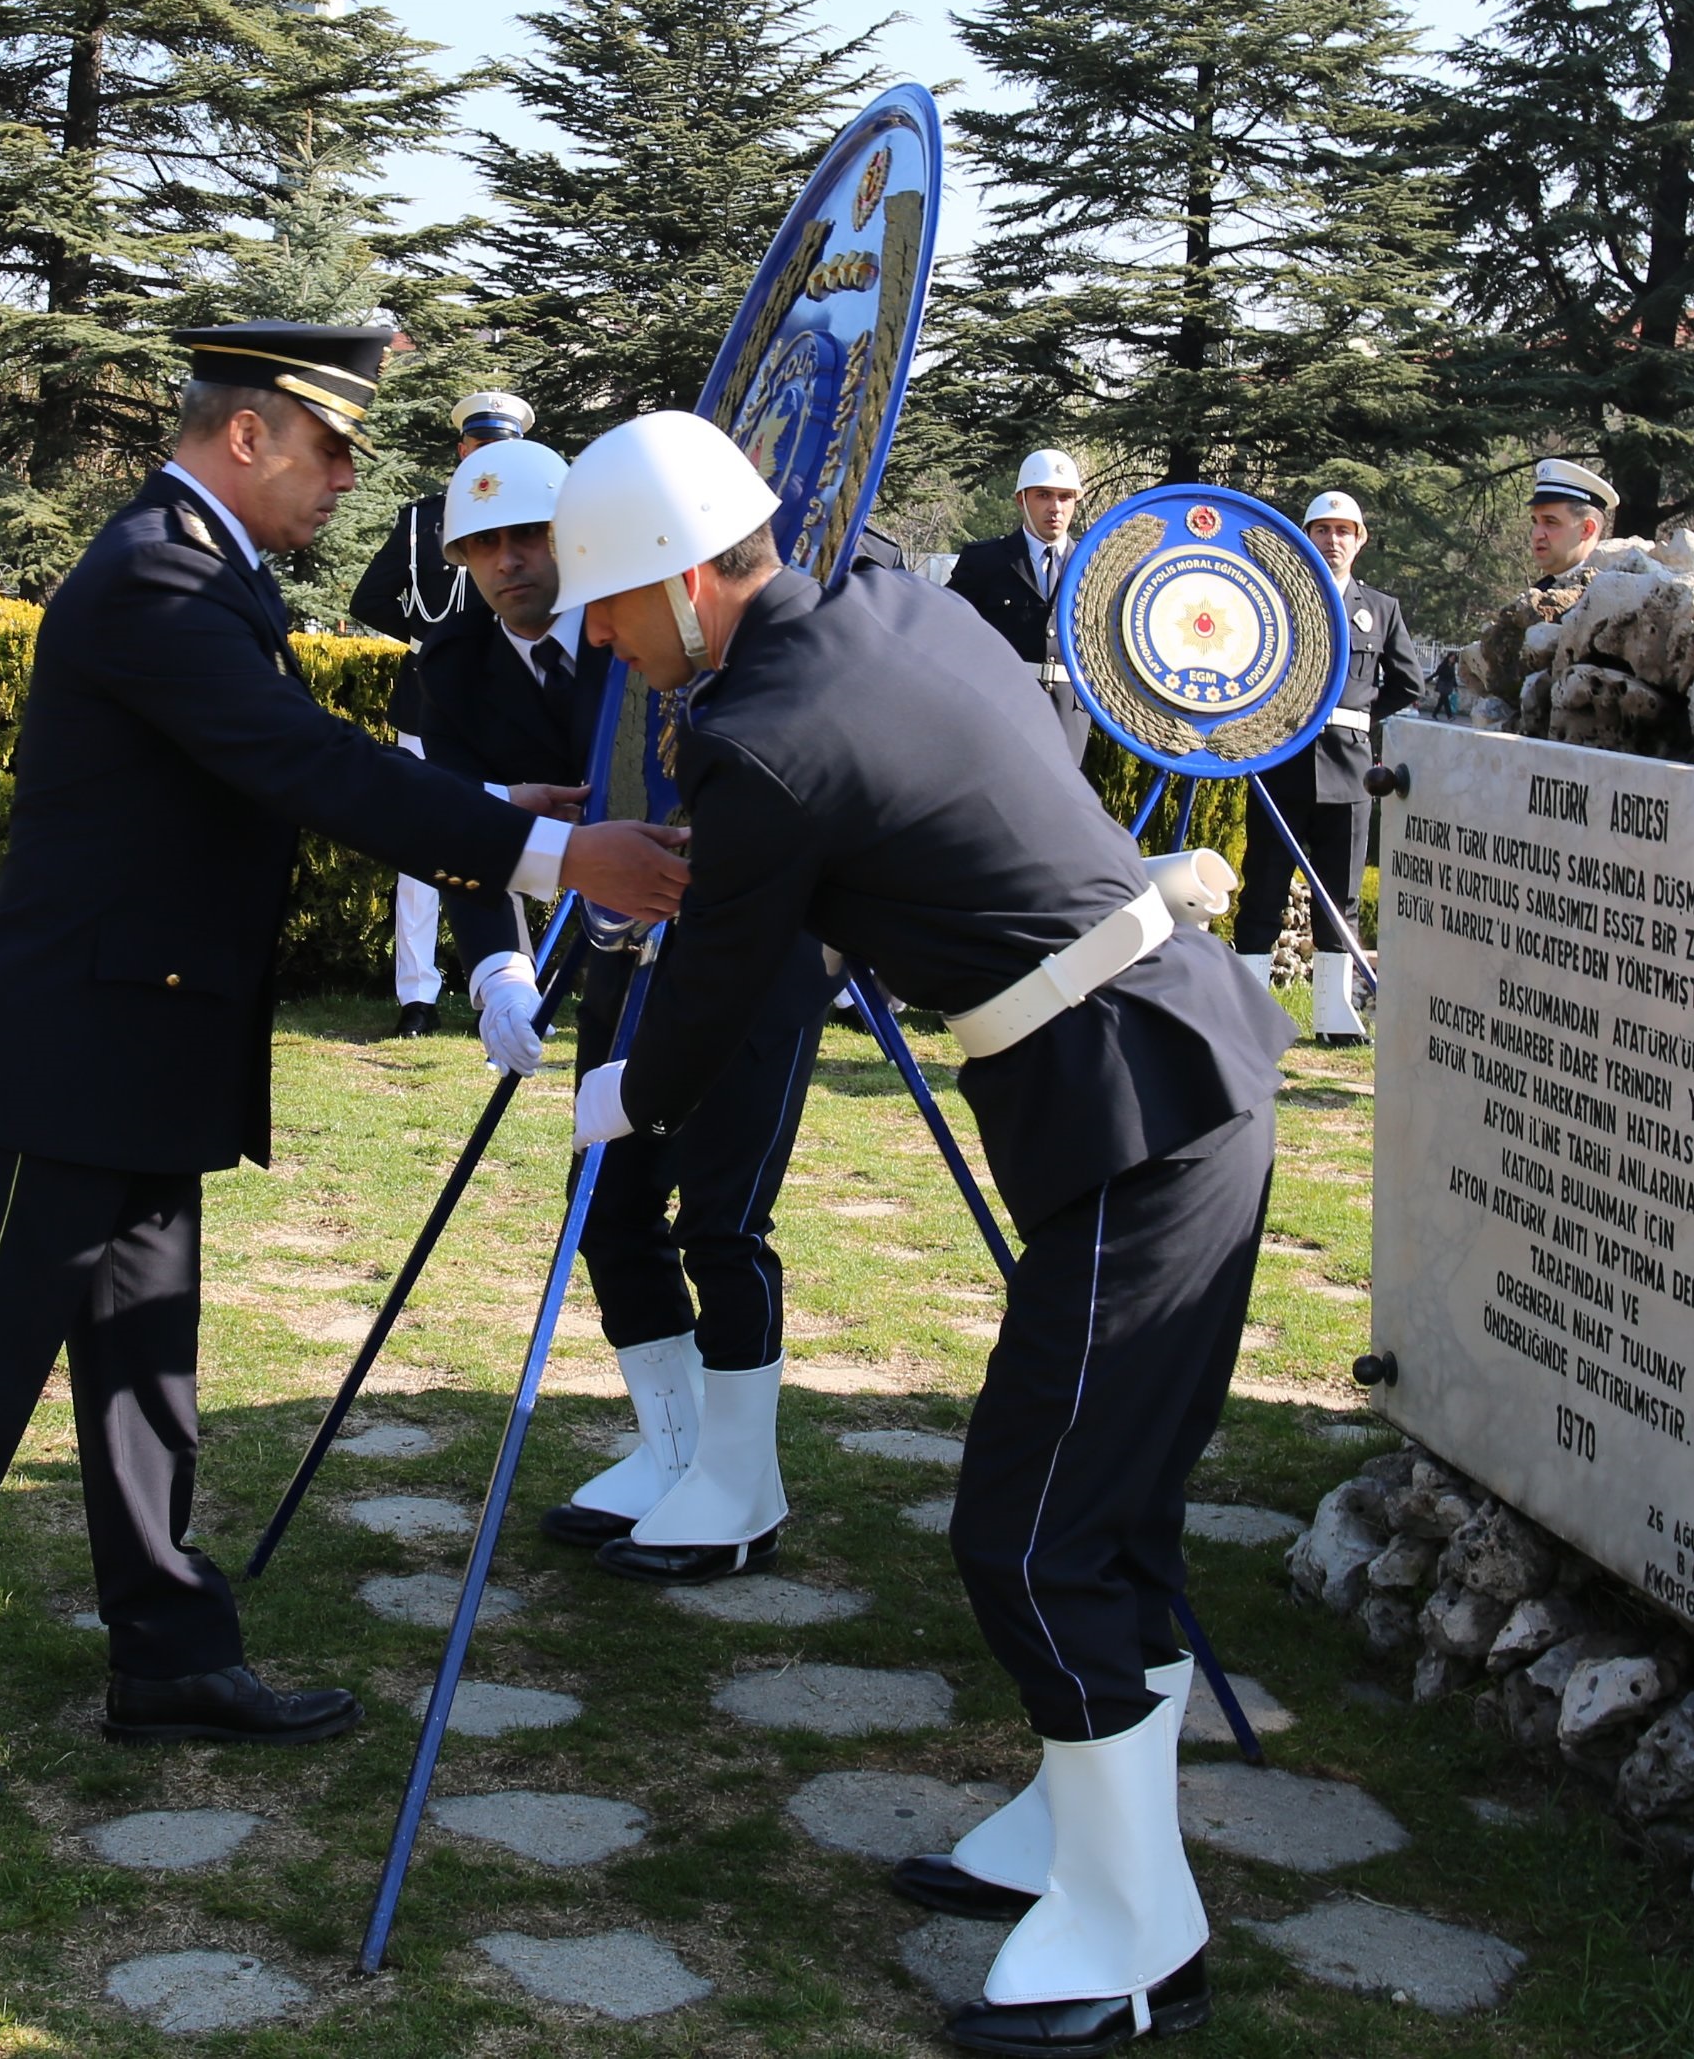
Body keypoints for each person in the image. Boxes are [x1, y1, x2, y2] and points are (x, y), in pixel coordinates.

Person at [0, 325, 688, 1806]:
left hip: (139, 1041)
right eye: (330, 450)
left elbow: (265, 758)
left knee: (145, 1371)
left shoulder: (207, 570)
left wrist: (486, 799)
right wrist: (554, 851)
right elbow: (298, 761)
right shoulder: (156, 574)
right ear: (247, 436)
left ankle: (170, 1652)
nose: (347, 482)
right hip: (67, 1052)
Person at [549, 412, 1293, 2054]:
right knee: (1110, 1513)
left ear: (684, 582)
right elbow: (850, 819)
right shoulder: (895, 606)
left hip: (1135, 1107)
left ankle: (1136, 1932)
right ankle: (1075, 1826)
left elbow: (724, 968)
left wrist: (626, 1094)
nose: (600, 638)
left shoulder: (759, 735)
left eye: (607, 602)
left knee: (1032, 1533)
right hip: (1169, 1072)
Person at [412, 435, 833, 1584]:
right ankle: (679, 1451)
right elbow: (458, 828)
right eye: (482, 546)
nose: (509, 562)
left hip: (744, 944)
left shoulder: (655, 615)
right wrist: (497, 969)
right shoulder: (452, 665)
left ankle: (741, 1486)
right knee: (607, 1204)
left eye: (528, 536)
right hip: (619, 951)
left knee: (723, 1215)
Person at [351, 387, 535, 1036]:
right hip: (428, 701)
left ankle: (513, 989)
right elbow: (369, 598)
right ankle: (418, 996)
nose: (487, 457)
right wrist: (436, 643)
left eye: (500, 448)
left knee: (510, 838)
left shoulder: (536, 523)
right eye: (479, 445)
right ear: (462, 450)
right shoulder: (422, 522)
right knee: (421, 852)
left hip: (503, 703)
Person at [1230, 492, 1430, 1048]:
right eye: (1322, 530)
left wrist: (1358, 715)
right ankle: (1247, 1013)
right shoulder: (1274, 599)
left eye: (1344, 531)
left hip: (1349, 770)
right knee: (1263, 887)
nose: (1333, 540)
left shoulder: (1381, 608)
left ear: (1360, 540)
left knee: (1340, 896)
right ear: (1306, 536)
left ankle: (1334, 1015)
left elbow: (1409, 682)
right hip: (1281, 765)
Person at [944, 448, 1093, 765]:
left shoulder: (1092, 567)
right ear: (1021, 500)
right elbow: (949, 632)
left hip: (1070, 715)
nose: (1055, 507)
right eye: (1044, 495)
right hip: (1002, 708)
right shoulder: (985, 561)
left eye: (1065, 497)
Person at [1463, 458, 1618, 727]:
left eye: (1551, 522)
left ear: (1587, 529)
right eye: (1535, 521)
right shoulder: (1541, 592)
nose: (1537, 533)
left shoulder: (1608, 595)